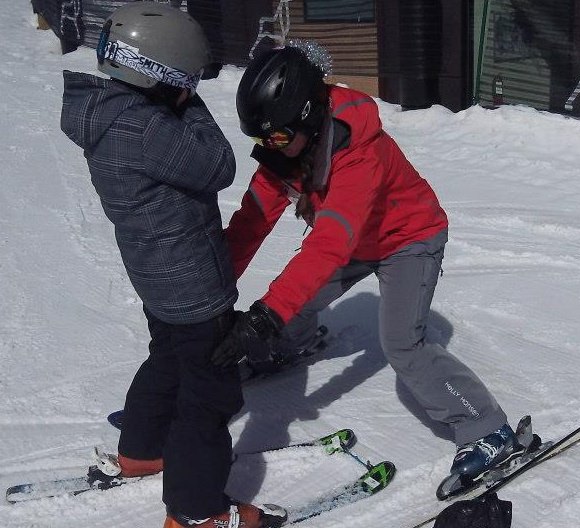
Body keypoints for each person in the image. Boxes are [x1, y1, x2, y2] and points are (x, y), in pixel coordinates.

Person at [211, 44, 523, 498]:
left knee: (402, 346)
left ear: (306, 117)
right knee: (298, 300)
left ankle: (486, 428)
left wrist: (264, 316)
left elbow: (330, 244)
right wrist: (215, 285)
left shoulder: (359, 149)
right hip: (356, 238)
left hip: (408, 240)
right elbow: (252, 221)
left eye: (276, 137)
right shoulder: (291, 145)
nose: (269, 148)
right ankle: (285, 348)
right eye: (262, 140)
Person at [60, 4, 286, 528]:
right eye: (184, 80)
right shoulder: (147, 130)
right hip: (192, 286)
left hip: (157, 278)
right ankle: (198, 511)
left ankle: (140, 451)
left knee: (167, 358)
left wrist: (174, 94)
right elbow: (219, 165)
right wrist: (191, 101)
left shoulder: (106, 113)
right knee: (208, 395)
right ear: (161, 77)